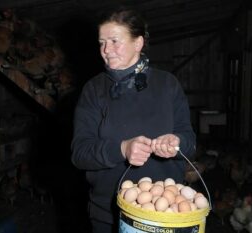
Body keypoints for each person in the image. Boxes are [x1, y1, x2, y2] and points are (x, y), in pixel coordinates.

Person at [70, 7, 196, 233]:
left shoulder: (168, 85)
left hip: (167, 215)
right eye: (101, 42)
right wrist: (121, 149)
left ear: (138, 43)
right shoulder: (94, 90)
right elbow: (80, 153)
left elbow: (189, 141)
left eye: (114, 41)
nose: (106, 50)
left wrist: (175, 143)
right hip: (109, 214)